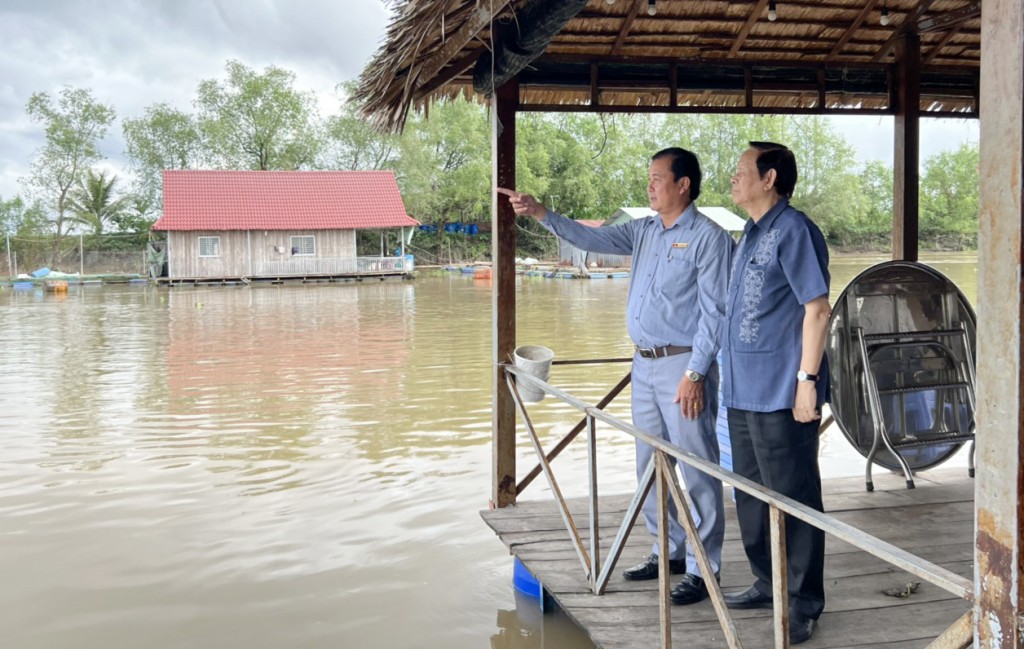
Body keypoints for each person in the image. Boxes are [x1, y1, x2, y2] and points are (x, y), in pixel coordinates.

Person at [498, 147, 733, 606]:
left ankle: (706, 568)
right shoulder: (644, 231)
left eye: (657, 178)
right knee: (649, 464)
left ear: (683, 185)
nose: (649, 185)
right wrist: (542, 212)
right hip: (643, 366)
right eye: (648, 177)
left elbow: (716, 313)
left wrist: (696, 372)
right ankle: (666, 551)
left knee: (696, 465)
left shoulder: (709, 238)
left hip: (684, 368)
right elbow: (593, 240)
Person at [719, 142, 831, 645]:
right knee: (750, 493)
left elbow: (817, 309)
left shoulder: (795, 231)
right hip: (742, 390)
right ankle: (769, 581)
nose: (734, 178)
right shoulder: (748, 233)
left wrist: (807, 382)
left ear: (769, 179)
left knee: (795, 497)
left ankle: (804, 601)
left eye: (742, 171)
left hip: (784, 393)